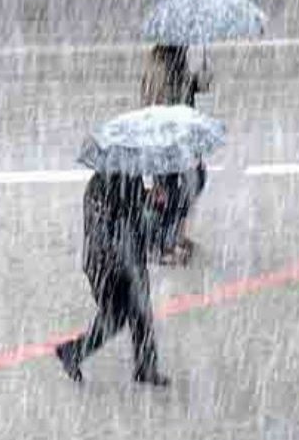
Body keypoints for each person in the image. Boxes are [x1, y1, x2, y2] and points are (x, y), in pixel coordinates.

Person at [54, 172, 169, 387]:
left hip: (126, 259)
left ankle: (146, 366)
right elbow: (107, 230)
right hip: (109, 265)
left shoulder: (125, 180)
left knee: (140, 312)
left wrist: (153, 202)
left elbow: (138, 219)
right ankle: (73, 351)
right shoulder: (104, 187)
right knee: (116, 317)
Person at [141, 44, 211, 264]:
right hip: (166, 138)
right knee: (169, 189)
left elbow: (188, 89)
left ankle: (174, 236)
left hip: (179, 135)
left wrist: (202, 77)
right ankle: (161, 245)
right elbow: (160, 104)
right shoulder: (161, 69)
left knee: (194, 178)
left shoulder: (176, 63)